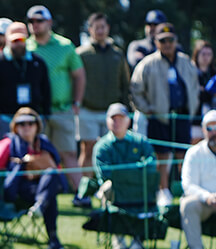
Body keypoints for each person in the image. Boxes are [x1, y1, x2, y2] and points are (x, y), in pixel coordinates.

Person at [131, 23, 199, 207]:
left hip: (182, 115)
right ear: (156, 42)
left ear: (176, 41)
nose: (167, 44)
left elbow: (194, 86)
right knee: (162, 155)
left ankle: (185, 189)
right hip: (159, 117)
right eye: (163, 41)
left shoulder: (185, 61)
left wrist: (192, 107)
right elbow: (136, 90)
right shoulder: (148, 63)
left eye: (170, 40)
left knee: (183, 155)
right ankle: (163, 190)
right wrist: (147, 109)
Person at [0, 107, 66, 249]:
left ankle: (40, 206)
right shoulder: (7, 143)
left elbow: (58, 170)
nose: (26, 127)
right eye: (22, 124)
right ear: (15, 126)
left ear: (37, 126)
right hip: (17, 191)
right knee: (49, 197)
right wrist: (19, 165)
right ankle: (53, 238)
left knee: (51, 175)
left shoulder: (44, 143)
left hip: (40, 189)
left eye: (30, 123)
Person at [26, 5, 86, 192]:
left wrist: (77, 102)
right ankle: (38, 195)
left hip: (62, 109)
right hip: (35, 113)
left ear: (49, 22)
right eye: (31, 21)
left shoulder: (65, 46)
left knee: (68, 154)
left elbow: (79, 75)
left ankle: (82, 194)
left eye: (39, 20)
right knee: (36, 154)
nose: (35, 24)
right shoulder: (25, 47)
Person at [76, 12, 130, 201]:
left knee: (113, 150)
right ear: (90, 29)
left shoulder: (117, 54)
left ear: (108, 29)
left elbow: (125, 82)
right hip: (88, 108)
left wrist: (125, 107)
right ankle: (84, 191)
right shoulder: (82, 54)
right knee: (88, 149)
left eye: (103, 27)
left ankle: (111, 190)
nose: (100, 30)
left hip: (113, 111)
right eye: (96, 27)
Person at [91, 103, 157, 249]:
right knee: (108, 186)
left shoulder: (140, 141)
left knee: (148, 186)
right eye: (113, 119)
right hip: (115, 190)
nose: (117, 122)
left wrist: (124, 173)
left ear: (128, 121)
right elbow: (106, 173)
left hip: (138, 189)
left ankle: (137, 239)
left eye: (121, 118)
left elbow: (151, 165)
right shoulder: (102, 146)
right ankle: (118, 237)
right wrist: (136, 170)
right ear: (107, 121)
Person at [0, 22, 51, 143]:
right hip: (6, 120)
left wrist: (45, 115)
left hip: (32, 121)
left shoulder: (38, 62)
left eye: (21, 40)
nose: (18, 44)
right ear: (7, 40)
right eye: (14, 40)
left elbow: (46, 89)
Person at [180, 109, 216, 249]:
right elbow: (188, 185)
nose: (214, 132)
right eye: (210, 128)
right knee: (188, 205)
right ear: (203, 130)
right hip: (203, 203)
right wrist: (207, 197)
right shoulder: (194, 153)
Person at [191, 40, 216, 145]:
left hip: (212, 117)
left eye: (209, 54)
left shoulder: (213, 73)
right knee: (195, 144)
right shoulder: (191, 72)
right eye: (203, 54)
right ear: (197, 55)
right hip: (195, 118)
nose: (206, 57)